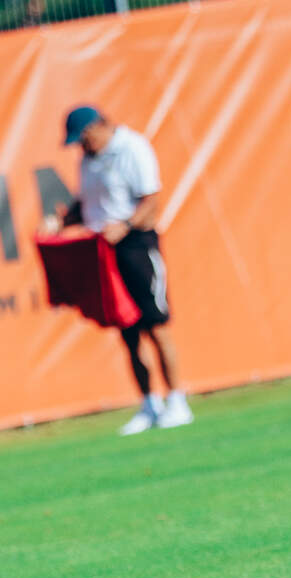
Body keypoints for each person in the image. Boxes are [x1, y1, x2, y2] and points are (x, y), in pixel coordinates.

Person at [51, 106, 194, 435]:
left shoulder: (132, 148)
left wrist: (126, 226)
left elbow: (151, 201)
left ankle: (177, 401)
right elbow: (87, 207)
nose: (82, 147)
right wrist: (62, 221)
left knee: (156, 326)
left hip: (137, 245)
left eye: (84, 139)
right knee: (128, 331)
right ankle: (149, 405)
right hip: (104, 251)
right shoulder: (87, 160)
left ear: (98, 127)